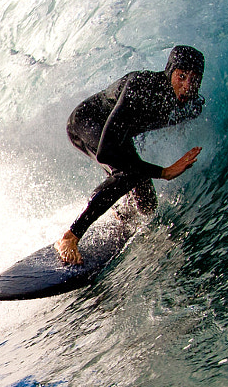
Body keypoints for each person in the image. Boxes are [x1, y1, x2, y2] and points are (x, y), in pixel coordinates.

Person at [55, 45, 206, 265]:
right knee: (127, 174)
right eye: (181, 76)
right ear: (170, 71)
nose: (187, 86)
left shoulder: (190, 105)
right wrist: (163, 172)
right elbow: (106, 152)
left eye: (194, 79)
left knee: (147, 205)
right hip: (87, 123)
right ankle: (70, 236)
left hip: (119, 136)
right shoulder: (140, 87)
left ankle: (120, 212)